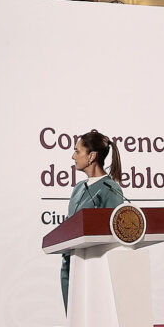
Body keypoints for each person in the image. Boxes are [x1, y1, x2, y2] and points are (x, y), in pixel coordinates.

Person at [60, 130, 125, 310]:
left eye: (77, 151)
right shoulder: (78, 187)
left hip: (93, 268)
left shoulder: (110, 189)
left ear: (92, 156)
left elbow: (112, 235)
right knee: (74, 321)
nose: (73, 156)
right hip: (70, 264)